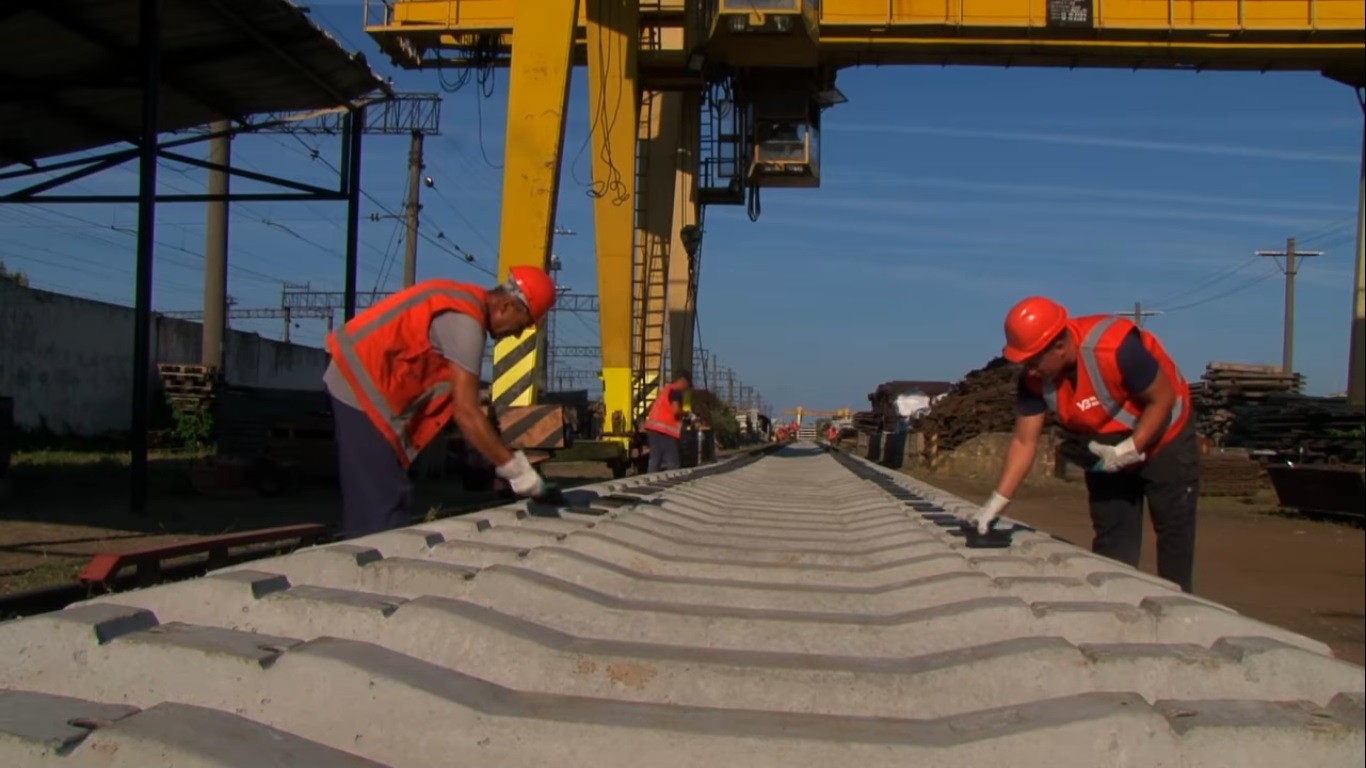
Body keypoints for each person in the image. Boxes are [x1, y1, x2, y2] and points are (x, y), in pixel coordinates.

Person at [973, 296, 1201, 593]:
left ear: (1060, 346)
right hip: (1106, 446)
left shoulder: (1117, 348)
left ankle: (1176, 611)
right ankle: (1118, 603)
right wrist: (995, 504)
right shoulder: (1033, 379)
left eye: (1034, 360)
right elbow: (1024, 440)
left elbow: (1162, 399)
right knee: (1112, 535)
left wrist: (1130, 449)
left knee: (1173, 534)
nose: (1030, 370)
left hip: (1166, 438)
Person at [322, 266, 557, 539]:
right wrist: (517, 471)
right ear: (507, 306)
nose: (517, 334)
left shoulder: (462, 304)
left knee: (384, 494)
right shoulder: (466, 323)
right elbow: (466, 413)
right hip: (359, 386)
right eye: (524, 324)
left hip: (367, 386)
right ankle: (372, 568)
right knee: (381, 505)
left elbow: (454, 392)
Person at [641, 370, 693, 472]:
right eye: (687, 386)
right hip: (664, 431)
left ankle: (651, 479)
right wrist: (686, 414)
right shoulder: (676, 391)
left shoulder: (666, 389)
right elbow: (675, 410)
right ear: (683, 382)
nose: (685, 390)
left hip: (653, 428)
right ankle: (672, 484)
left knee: (655, 458)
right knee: (672, 461)